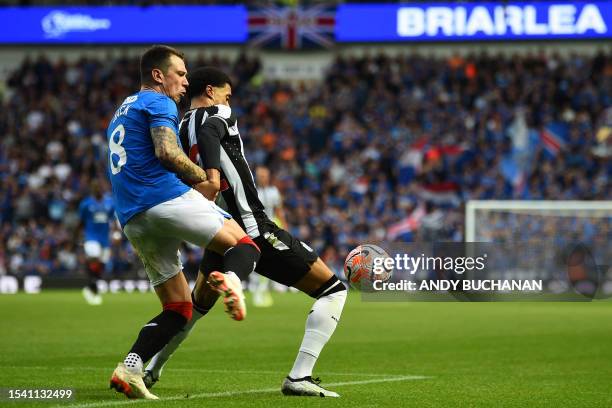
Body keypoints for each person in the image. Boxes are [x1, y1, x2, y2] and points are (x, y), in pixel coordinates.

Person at [144, 66, 347, 397]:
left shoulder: (180, 126)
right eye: (227, 92)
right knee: (334, 290)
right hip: (252, 227)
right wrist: (212, 175)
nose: (230, 98)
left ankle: (153, 369)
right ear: (210, 91)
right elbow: (211, 131)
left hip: (219, 229)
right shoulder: (218, 113)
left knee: (194, 307)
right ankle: (299, 377)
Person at [106, 47, 260, 400]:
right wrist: (206, 179)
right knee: (244, 244)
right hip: (164, 198)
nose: (186, 81)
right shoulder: (158, 103)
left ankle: (129, 368)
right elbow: (167, 152)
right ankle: (232, 280)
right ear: (159, 76)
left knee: (178, 308)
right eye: (180, 73)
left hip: (132, 217)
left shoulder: (122, 109)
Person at [251, 165, 289, 307]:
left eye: (264, 175)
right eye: (260, 176)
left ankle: (273, 284)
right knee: (260, 256)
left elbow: (279, 210)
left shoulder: (274, 192)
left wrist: (285, 227)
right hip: (257, 229)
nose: (262, 178)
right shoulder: (252, 191)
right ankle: (259, 288)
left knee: (278, 254)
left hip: (272, 228)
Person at [77, 180, 114, 305]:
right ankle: (92, 287)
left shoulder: (109, 202)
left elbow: (112, 219)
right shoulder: (86, 204)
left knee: (102, 264)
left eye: (100, 187)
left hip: (105, 239)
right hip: (91, 237)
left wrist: (115, 233)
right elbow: (80, 222)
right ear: (93, 190)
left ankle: (92, 285)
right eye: (96, 187)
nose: (98, 189)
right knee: (94, 257)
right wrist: (76, 238)